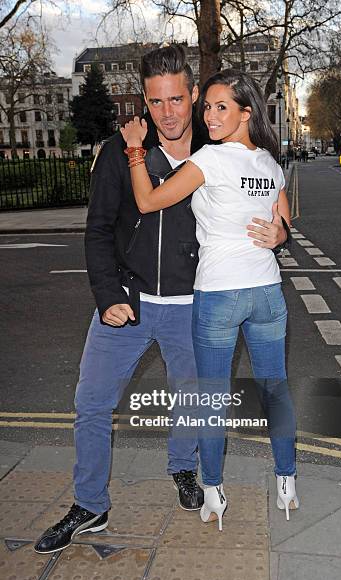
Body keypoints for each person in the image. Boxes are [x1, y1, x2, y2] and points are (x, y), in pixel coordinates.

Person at [34, 46, 289, 554]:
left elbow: (268, 205)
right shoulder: (120, 149)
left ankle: (183, 471)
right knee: (90, 402)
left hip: (194, 304)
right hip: (127, 302)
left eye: (177, 99)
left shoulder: (219, 144)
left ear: (194, 95)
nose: (168, 112)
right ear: (144, 102)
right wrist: (107, 294)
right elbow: (99, 228)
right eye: (156, 102)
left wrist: (279, 232)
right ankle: (90, 505)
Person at [121, 68, 299, 530]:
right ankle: (286, 482)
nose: (210, 115)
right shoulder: (270, 163)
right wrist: (279, 233)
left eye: (222, 107)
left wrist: (136, 150)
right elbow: (284, 223)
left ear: (246, 112)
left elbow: (147, 202)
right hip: (266, 292)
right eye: (208, 107)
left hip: (219, 293)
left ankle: (215, 490)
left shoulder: (210, 160)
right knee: (274, 389)